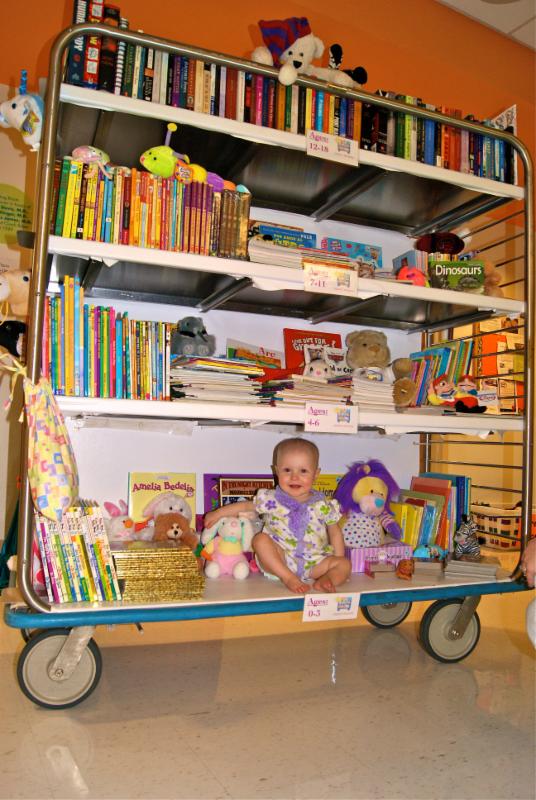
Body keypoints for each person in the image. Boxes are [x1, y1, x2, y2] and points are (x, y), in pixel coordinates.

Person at [203, 438, 351, 594]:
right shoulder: (271, 499)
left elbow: (335, 533)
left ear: (316, 474)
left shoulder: (323, 505)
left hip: (316, 563)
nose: (294, 477)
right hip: (280, 560)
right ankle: (288, 577)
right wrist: (217, 513)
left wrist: (337, 563)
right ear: (277, 471)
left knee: (345, 564)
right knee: (260, 540)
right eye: (287, 470)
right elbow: (245, 506)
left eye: (303, 471)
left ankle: (327, 580)